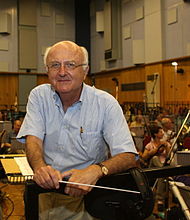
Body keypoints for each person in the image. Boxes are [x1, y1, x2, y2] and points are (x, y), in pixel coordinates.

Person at [17, 40, 138, 220]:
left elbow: (128, 155)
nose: (62, 72)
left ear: (85, 70)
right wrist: (40, 167)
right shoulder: (39, 96)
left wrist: (97, 170)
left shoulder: (105, 104)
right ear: (47, 71)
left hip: (85, 200)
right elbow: (33, 139)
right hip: (42, 194)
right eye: (55, 65)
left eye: (71, 65)